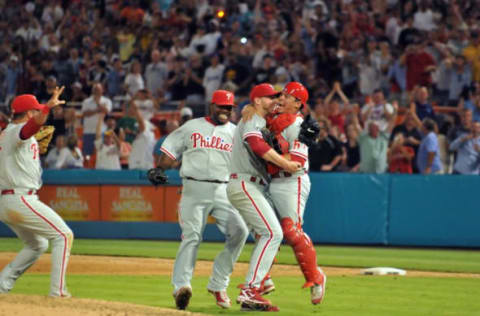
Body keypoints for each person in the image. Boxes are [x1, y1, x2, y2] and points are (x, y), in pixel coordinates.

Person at [156, 90, 249, 310]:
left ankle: (218, 283)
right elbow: (170, 149)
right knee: (192, 237)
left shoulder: (236, 133)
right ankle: (181, 287)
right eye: (221, 106)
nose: (225, 111)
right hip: (193, 188)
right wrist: (159, 168)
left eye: (229, 107)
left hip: (223, 190)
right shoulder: (192, 126)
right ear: (211, 106)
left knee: (240, 232)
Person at [227, 83, 301, 311]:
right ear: (258, 100)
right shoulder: (252, 118)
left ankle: (261, 282)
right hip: (245, 183)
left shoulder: (260, 120)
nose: (276, 100)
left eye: (278, 96)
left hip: (252, 185)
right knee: (272, 233)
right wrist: (286, 163)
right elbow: (257, 145)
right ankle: (251, 288)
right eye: (271, 97)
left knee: (266, 233)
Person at [0, 88, 73, 297]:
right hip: (20, 198)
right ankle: (57, 292)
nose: (39, 113)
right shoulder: (17, 131)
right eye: (36, 110)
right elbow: (31, 127)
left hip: (9, 200)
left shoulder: (8, 134)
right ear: (29, 113)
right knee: (64, 235)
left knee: (37, 244)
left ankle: (2, 284)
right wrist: (48, 107)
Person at [266, 82, 327, 305]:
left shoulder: (300, 126)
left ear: (298, 103)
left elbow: (297, 162)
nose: (281, 99)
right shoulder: (271, 120)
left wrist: (270, 159)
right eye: (281, 94)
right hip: (271, 180)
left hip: (293, 181)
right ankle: (262, 279)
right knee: (264, 228)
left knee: (291, 232)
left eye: (287, 97)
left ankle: (316, 277)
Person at [81, 83, 112, 157]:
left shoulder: (107, 101)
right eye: (95, 89)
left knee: (101, 154)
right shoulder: (86, 101)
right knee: (87, 155)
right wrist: (98, 110)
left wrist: (98, 103)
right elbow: (85, 113)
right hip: (88, 131)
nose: (96, 91)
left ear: (102, 90)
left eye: (98, 89)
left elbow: (106, 111)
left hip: (102, 132)